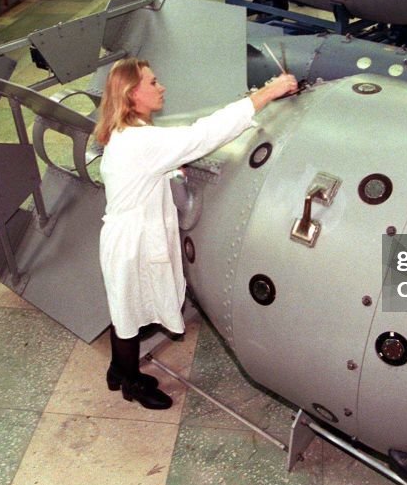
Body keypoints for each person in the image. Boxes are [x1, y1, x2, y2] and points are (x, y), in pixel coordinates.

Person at [94, 57, 297, 409]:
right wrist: (269, 93)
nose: (162, 88)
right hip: (133, 243)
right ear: (131, 94)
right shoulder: (141, 142)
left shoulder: (128, 134)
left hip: (128, 237)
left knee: (126, 307)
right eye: (153, 83)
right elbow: (203, 134)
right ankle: (129, 381)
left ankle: (117, 370)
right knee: (129, 314)